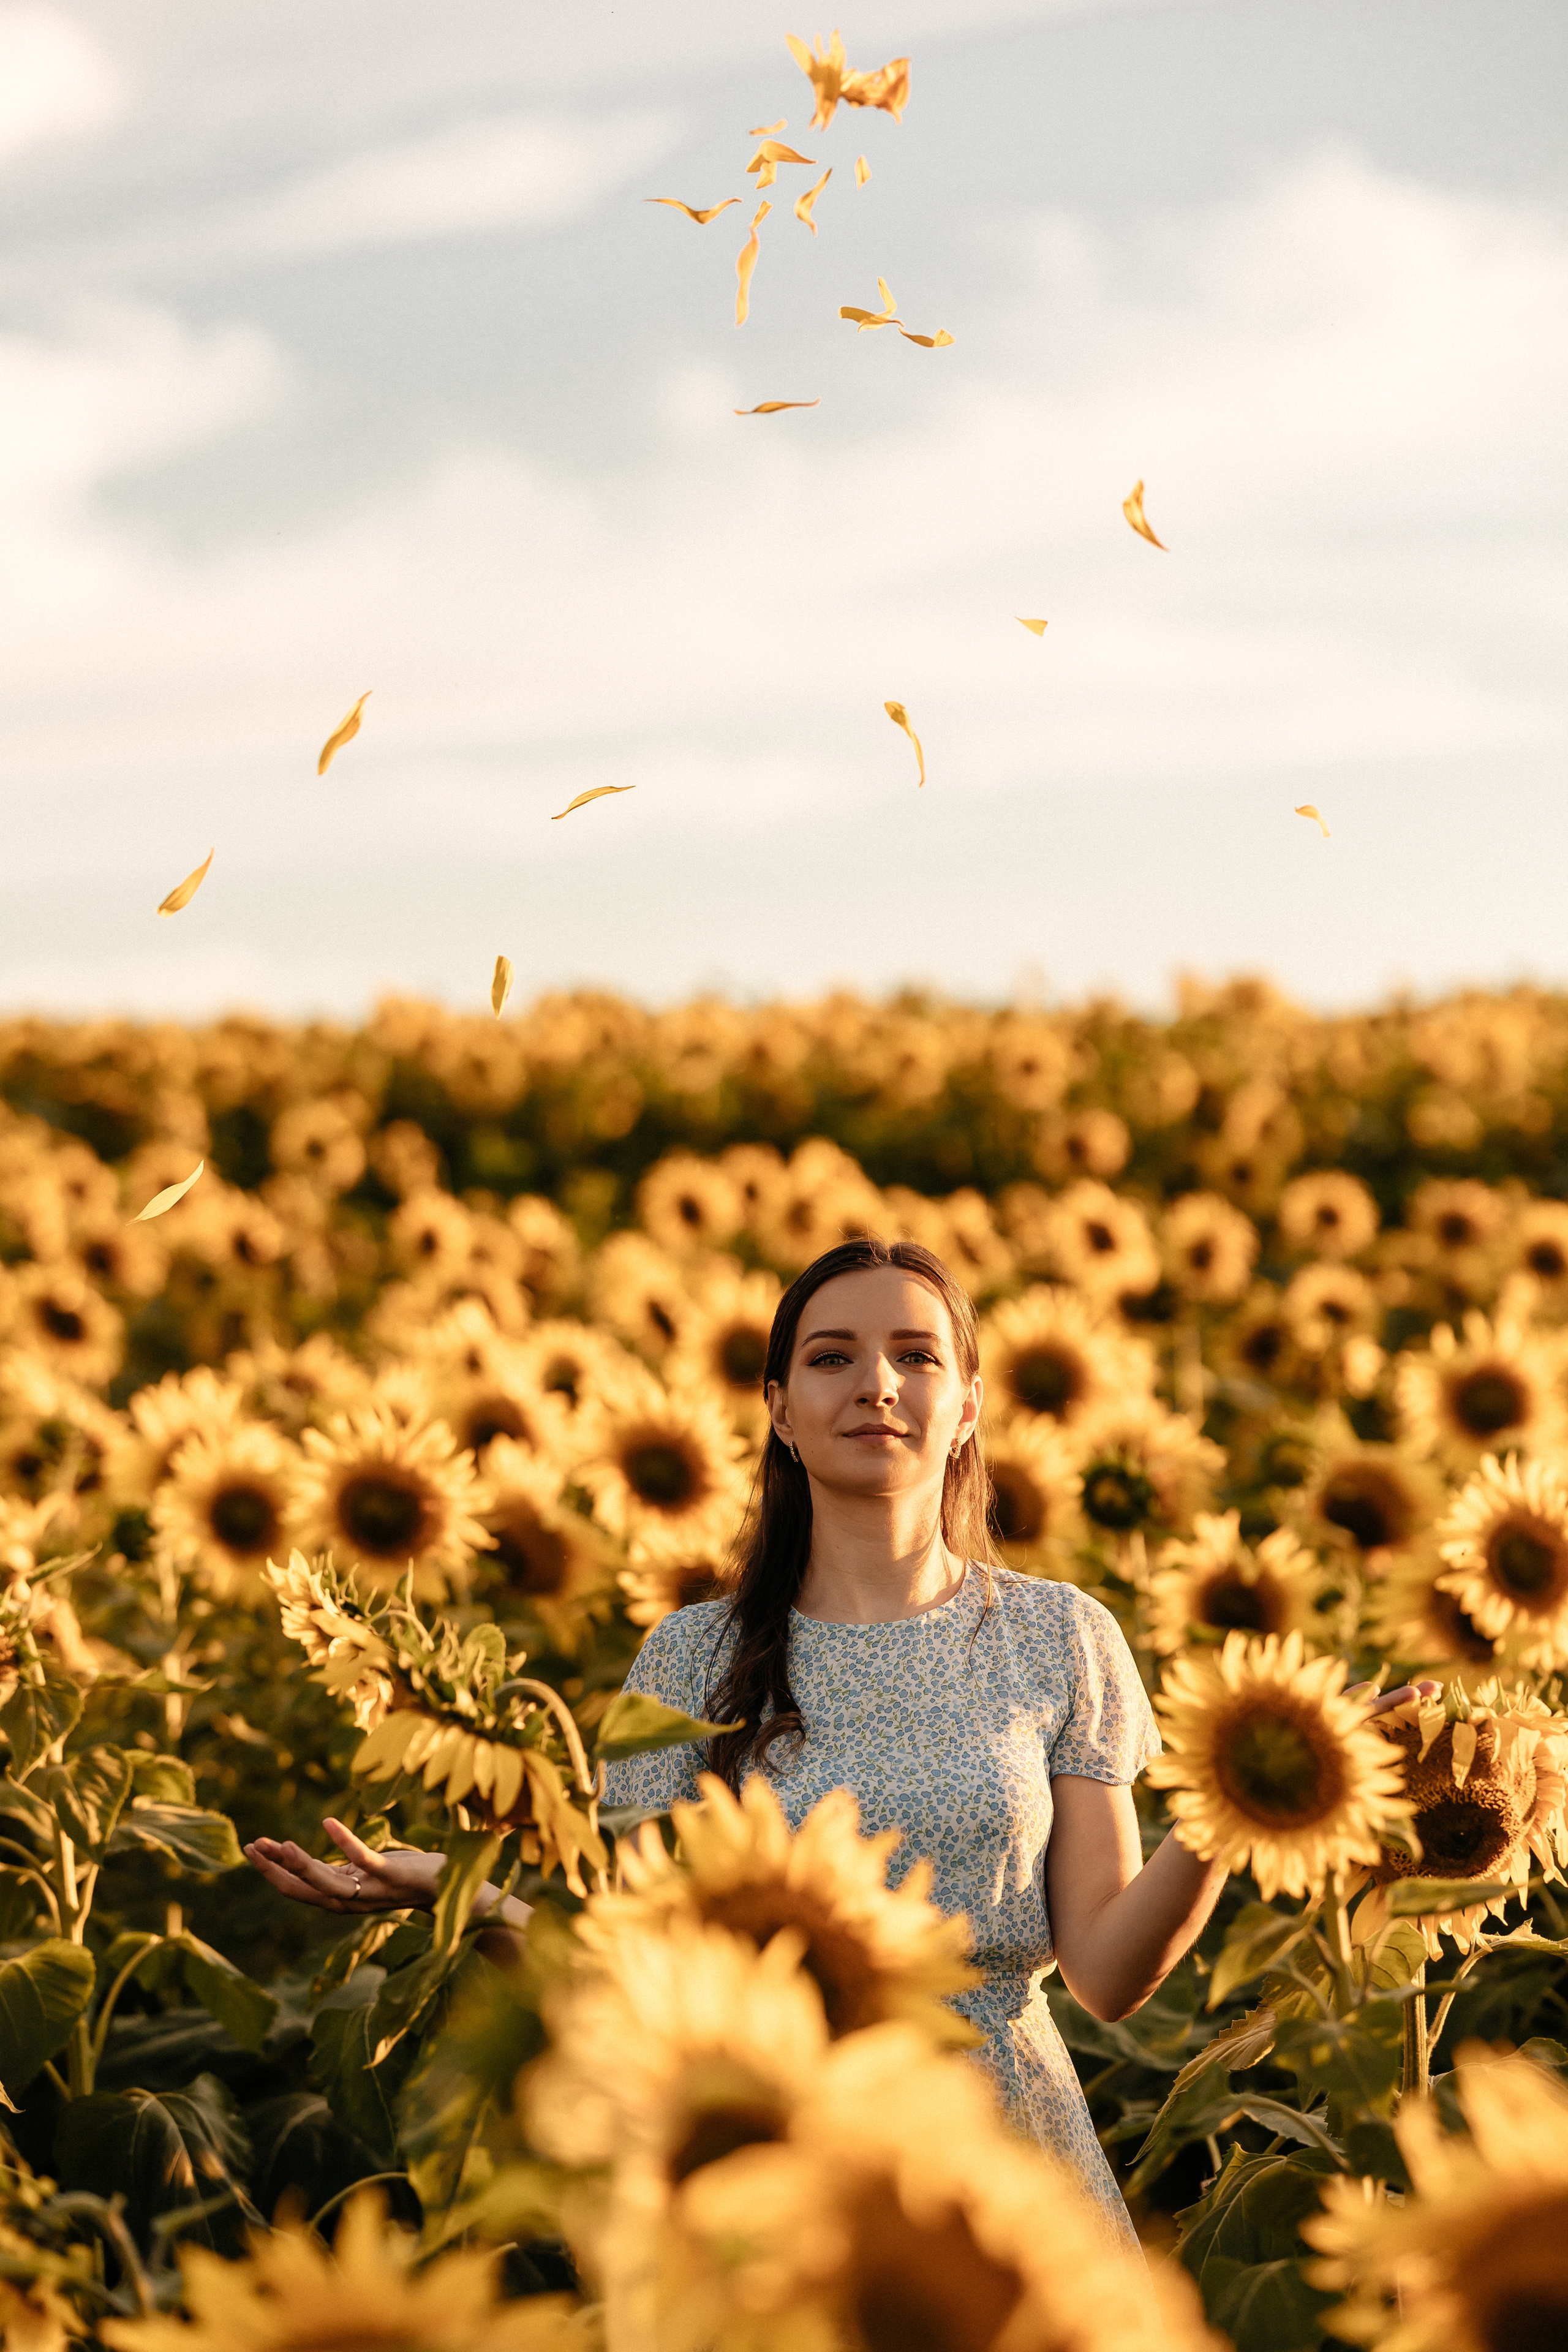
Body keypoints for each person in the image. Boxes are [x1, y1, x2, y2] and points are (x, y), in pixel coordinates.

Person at [246, 1233, 1428, 2245]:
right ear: (777, 1408)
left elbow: (1111, 1976)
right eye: (832, 1358)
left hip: (1002, 2153)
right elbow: (631, 1967)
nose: (878, 1385)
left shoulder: (1061, 1638)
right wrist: (464, 1897)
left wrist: (1244, 1798)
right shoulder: (690, 1662)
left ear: (968, 1407)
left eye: (918, 1357)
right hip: (773, 2155)